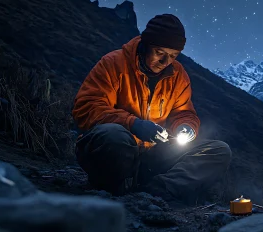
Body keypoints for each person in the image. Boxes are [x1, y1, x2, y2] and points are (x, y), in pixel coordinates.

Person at [71, 14, 232, 205]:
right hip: (114, 151)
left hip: (152, 156)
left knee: (218, 150)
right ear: (145, 44)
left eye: (173, 56)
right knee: (114, 135)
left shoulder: (178, 75)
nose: (166, 62)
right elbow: (86, 107)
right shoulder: (113, 64)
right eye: (159, 52)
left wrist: (186, 127)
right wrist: (133, 124)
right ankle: (113, 186)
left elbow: (184, 112)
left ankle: (157, 191)